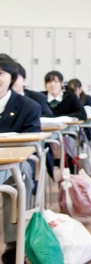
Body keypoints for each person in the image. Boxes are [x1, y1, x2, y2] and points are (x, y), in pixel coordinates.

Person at [0, 53, 41, 264]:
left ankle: (12, 245)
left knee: (18, 179)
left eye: (0, 74)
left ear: (12, 78)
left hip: (12, 163)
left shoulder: (29, 107)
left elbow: (30, 146)